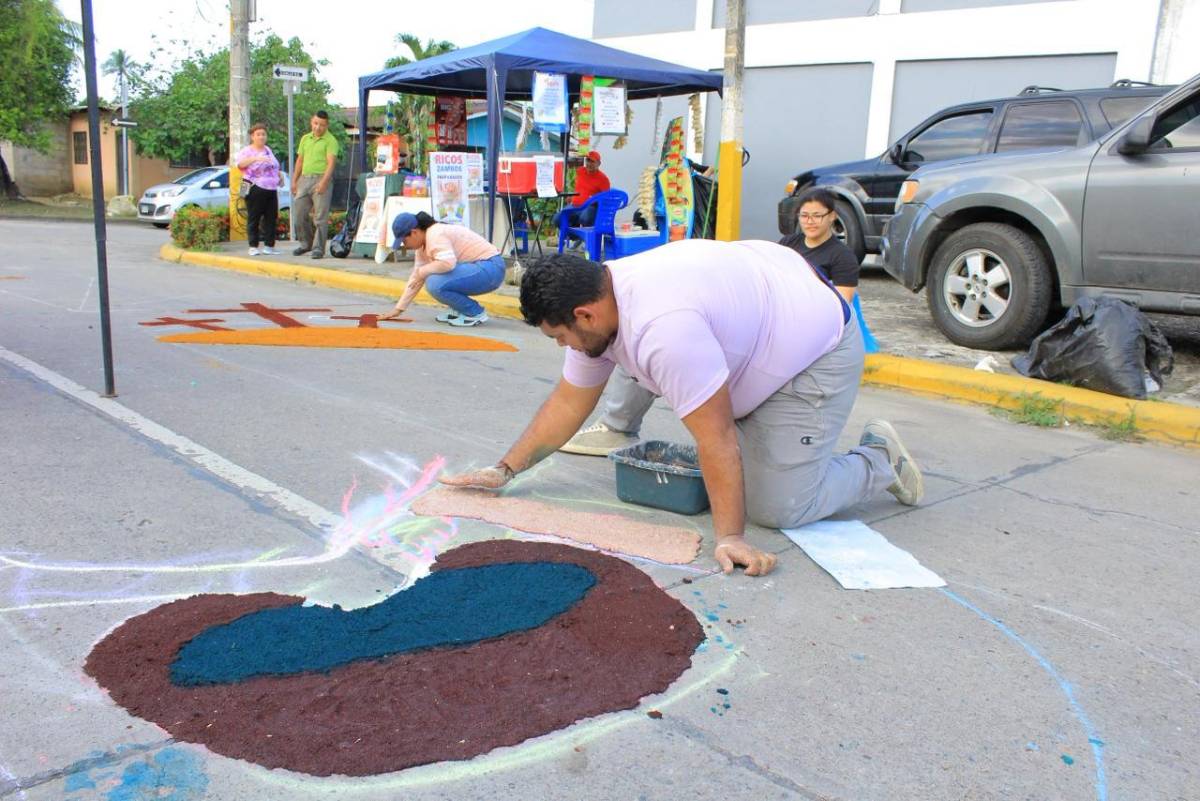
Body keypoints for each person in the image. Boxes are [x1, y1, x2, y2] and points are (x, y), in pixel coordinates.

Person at [438, 242, 924, 577]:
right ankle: (778, 434)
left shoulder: (663, 330)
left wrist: (730, 536)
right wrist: (504, 471)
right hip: (760, 310)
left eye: (560, 336)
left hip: (813, 348)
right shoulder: (597, 298)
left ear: (584, 314)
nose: (563, 345)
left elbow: (715, 439)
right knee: (736, 457)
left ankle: (879, 460)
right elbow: (569, 401)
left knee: (779, 507)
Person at [562, 187, 873, 457]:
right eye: (805, 215)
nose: (810, 222)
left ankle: (872, 459)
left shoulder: (840, 256)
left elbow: (841, 299)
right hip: (755, 319)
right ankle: (619, 425)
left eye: (817, 216)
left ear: (833, 217)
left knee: (773, 496)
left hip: (806, 332)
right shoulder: (790, 243)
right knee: (640, 343)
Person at [380, 212, 506, 327]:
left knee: (434, 282)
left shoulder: (435, 234)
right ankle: (460, 309)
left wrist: (422, 272)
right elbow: (416, 279)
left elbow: (447, 263)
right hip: (482, 269)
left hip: (491, 268)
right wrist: (398, 309)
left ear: (414, 232)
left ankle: (474, 312)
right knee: (432, 278)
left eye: (404, 241)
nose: (405, 246)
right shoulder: (422, 246)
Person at [291, 111, 339, 260]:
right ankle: (305, 243)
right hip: (304, 179)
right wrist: (294, 180)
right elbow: (299, 161)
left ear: (327, 125)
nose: (318, 127)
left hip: (321, 178)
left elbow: (331, 163)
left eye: (322, 125)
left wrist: (324, 182)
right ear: (311, 122)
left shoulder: (331, 141)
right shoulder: (305, 138)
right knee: (299, 213)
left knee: (320, 217)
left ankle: (318, 248)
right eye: (316, 123)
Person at [234, 123, 281, 256]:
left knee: (271, 217)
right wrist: (255, 158)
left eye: (263, 134)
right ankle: (253, 246)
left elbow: (274, 166)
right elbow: (240, 164)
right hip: (255, 187)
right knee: (254, 217)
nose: (261, 137)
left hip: (271, 188)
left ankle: (269, 246)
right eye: (258, 134)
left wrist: (280, 175)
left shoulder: (268, 150)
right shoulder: (247, 151)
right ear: (252, 137)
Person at [552, 151, 611, 241]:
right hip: (574, 205)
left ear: (599, 163)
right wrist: (571, 197)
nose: (589, 163)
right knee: (556, 219)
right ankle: (576, 237)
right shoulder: (580, 171)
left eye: (592, 161)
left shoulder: (603, 179)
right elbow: (580, 188)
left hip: (590, 207)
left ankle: (586, 238)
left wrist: (595, 200)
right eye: (588, 160)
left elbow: (606, 199)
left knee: (584, 219)